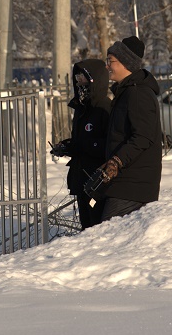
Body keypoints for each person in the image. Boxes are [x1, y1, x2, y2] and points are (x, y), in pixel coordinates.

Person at [86, 35, 162, 221]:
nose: (107, 66)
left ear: (125, 63)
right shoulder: (127, 92)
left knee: (109, 241)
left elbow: (143, 136)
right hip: (124, 184)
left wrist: (116, 161)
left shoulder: (138, 93)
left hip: (133, 186)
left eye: (110, 61)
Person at [52, 59, 112, 229]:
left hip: (98, 181)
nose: (79, 82)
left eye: (83, 78)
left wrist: (83, 146)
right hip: (81, 180)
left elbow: (108, 145)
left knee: (97, 228)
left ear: (95, 79)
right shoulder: (81, 109)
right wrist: (67, 147)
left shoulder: (104, 107)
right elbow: (81, 141)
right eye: (77, 77)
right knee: (86, 227)